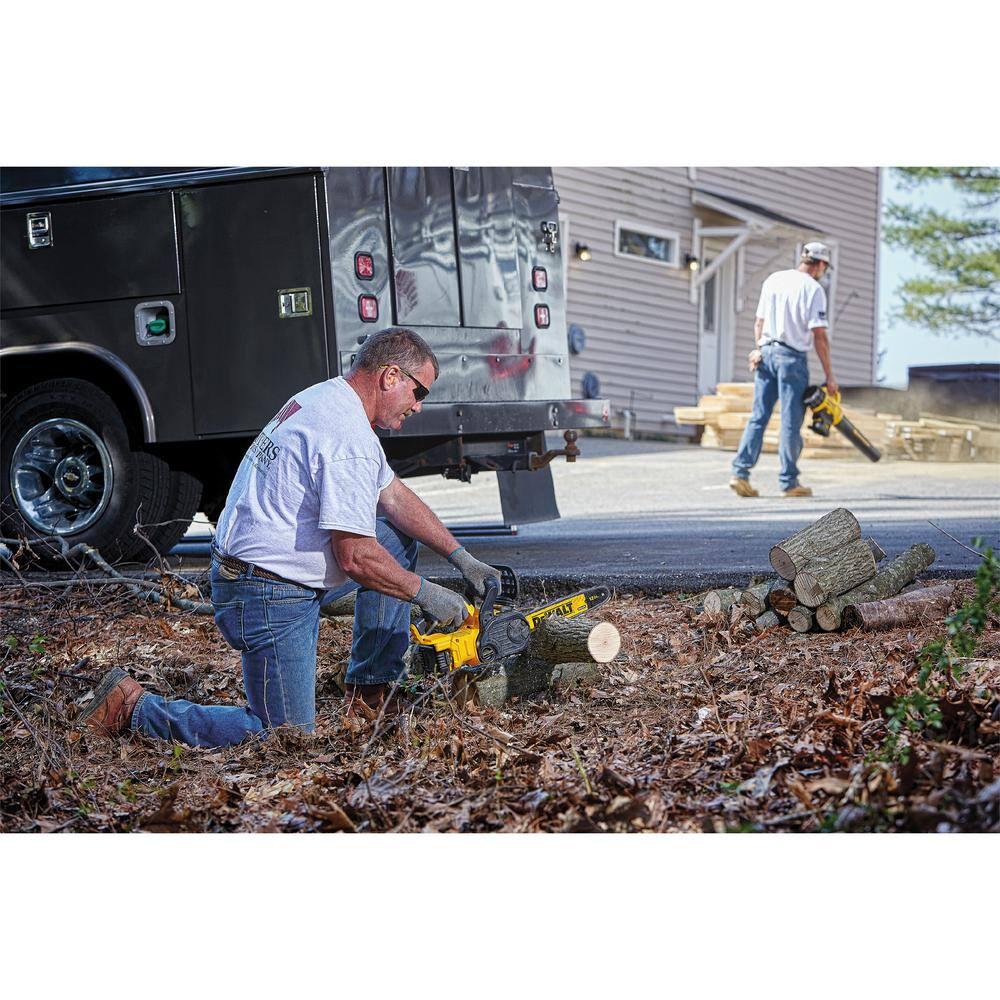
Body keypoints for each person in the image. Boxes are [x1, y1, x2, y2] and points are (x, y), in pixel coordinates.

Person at [79, 327, 501, 746]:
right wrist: (427, 593)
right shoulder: (346, 437)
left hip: (272, 572)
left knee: (393, 536)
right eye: (419, 392)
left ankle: (371, 687)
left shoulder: (331, 400)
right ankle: (133, 709)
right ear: (390, 376)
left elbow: (392, 496)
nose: (419, 406)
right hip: (264, 593)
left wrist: (460, 556)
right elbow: (355, 557)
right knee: (283, 736)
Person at [729, 241, 839, 498]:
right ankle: (789, 482)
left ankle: (740, 473)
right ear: (821, 264)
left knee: (759, 416)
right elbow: (819, 335)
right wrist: (830, 376)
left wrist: (758, 348)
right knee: (791, 421)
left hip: (765, 353)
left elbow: (759, 322)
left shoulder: (774, 280)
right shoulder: (813, 289)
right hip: (791, 358)